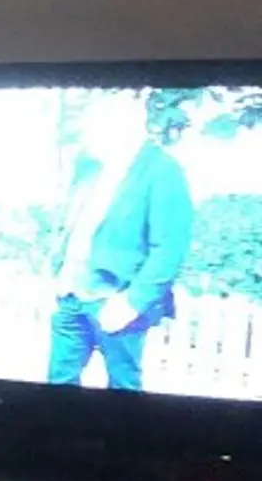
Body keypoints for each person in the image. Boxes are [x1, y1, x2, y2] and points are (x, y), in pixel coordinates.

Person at [47, 92, 194, 391]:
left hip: (118, 301)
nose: (88, 132)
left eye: (95, 124)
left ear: (123, 124)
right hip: (71, 297)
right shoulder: (88, 168)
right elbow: (72, 227)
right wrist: (58, 275)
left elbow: (169, 249)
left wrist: (133, 303)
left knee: (123, 395)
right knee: (56, 392)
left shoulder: (162, 169)